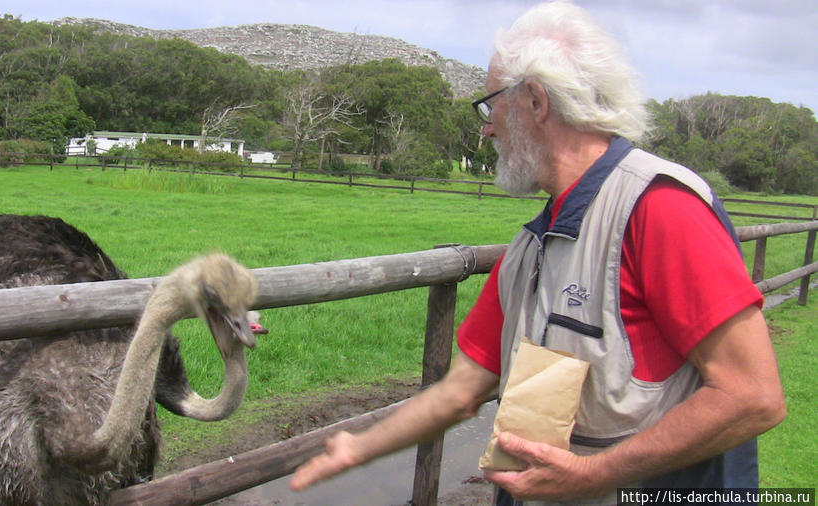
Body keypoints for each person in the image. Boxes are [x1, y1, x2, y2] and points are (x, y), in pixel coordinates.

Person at [290, 2, 786, 504]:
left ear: (534, 101)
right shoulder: (532, 247)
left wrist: (593, 474)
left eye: (490, 106)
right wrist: (358, 447)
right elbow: (462, 388)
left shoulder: (659, 210)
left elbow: (752, 397)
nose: (486, 129)